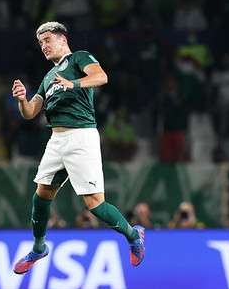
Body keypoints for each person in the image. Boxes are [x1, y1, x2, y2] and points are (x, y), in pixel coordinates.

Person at [10, 21, 145, 275]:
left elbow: (101, 77)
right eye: (40, 43)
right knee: (41, 195)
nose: (44, 46)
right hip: (57, 139)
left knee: (94, 204)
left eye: (48, 40)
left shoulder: (79, 59)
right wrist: (21, 100)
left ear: (62, 40)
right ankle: (39, 247)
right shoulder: (49, 77)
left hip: (81, 136)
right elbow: (30, 113)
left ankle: (133, 235)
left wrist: (73, 84)